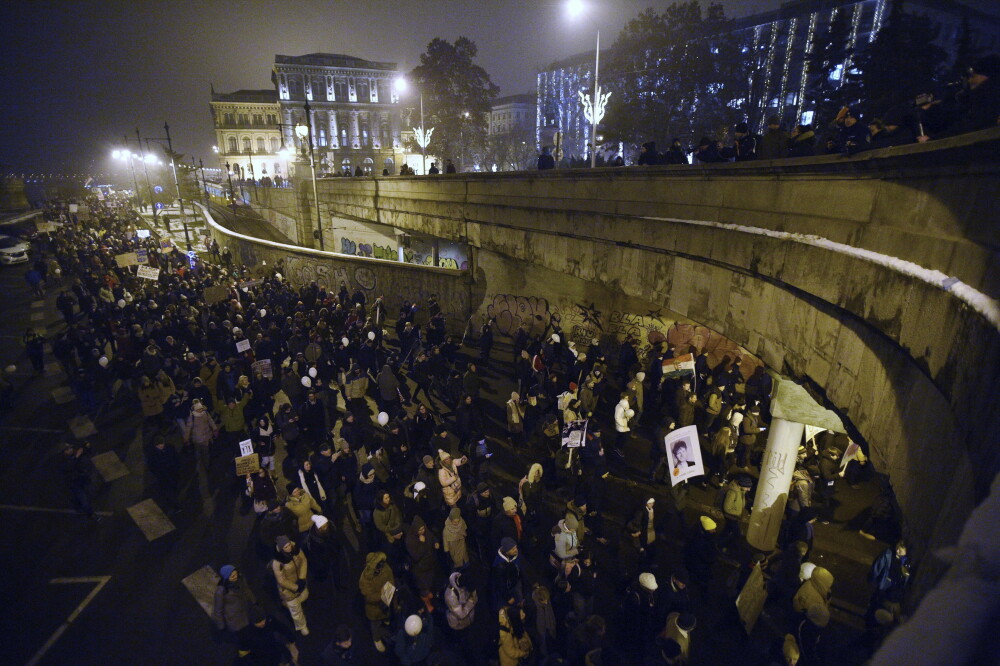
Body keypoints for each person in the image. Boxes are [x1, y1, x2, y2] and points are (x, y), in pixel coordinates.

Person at [271, 536, 310, 636]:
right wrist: (295, 587)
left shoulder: (296, 549)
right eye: (286, 547)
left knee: (303, 598)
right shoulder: (278, 562)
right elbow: (281, 580)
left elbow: (303, 561)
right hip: (288, 590)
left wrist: (302, 578)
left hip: (300, 582)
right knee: (295, 610)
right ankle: (302, 626)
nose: (289, 548)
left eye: (289, 545)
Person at [358, 551, 394, 653]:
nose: (379, 569)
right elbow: (368, 596)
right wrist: (381, 595)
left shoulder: (385, 568)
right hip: (373, 608)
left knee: (386, 615)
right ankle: (377, 639)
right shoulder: (365, 579)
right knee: (375, 625)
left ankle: (385, 622)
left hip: (385, 602)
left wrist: (386, 595)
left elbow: (390, 581)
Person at [213, 565, 258, 637]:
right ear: (226, 578)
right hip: (235, 619)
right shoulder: (221, 591)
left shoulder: (240, 579)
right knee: (243, 636)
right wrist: (221, 627)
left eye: (235, 574)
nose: (235, 577)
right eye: (232, 576)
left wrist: (254, 601)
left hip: (245, 611)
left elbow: (247, 590)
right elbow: (218, 610)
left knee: (251, 632)